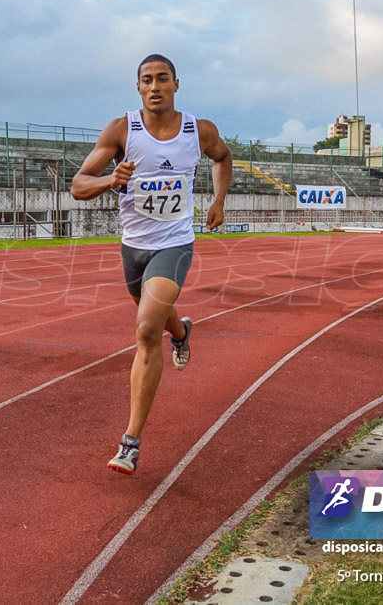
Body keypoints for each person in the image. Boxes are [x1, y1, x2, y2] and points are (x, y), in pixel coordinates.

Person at [71, 54, 232, 475]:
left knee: (145, 329)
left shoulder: (199, 131)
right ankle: (181, 331)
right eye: (147, 80)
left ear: (176, 84)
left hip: (174, 243)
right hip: (133, 248)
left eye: (163, 79)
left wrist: (218, 200)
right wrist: (111, 179)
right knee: (157, 318)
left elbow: (223, 157)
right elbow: (78, 185)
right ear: (138, 87)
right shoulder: (122, 129)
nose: (155, 86)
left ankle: (130, 443)